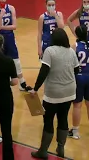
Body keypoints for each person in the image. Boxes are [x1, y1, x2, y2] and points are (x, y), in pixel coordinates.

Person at [30, 28, 79, 159]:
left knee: (48, 120)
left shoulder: (49, 51)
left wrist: (35, 88)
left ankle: (43, 150)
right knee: (63, 118)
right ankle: (61, 147)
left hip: (53, 93)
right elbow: (76, 70)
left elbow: (43, 71)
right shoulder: (71, 52)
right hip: (69, 91)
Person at [0, 0, 32, 91]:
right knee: (0, 60)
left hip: (9, 37)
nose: (3, 0)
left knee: (16, 60)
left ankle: (22, 83)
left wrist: (2, 27)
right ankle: (2, 82)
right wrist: (1, 16)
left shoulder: (11, 8)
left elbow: (14, 26)